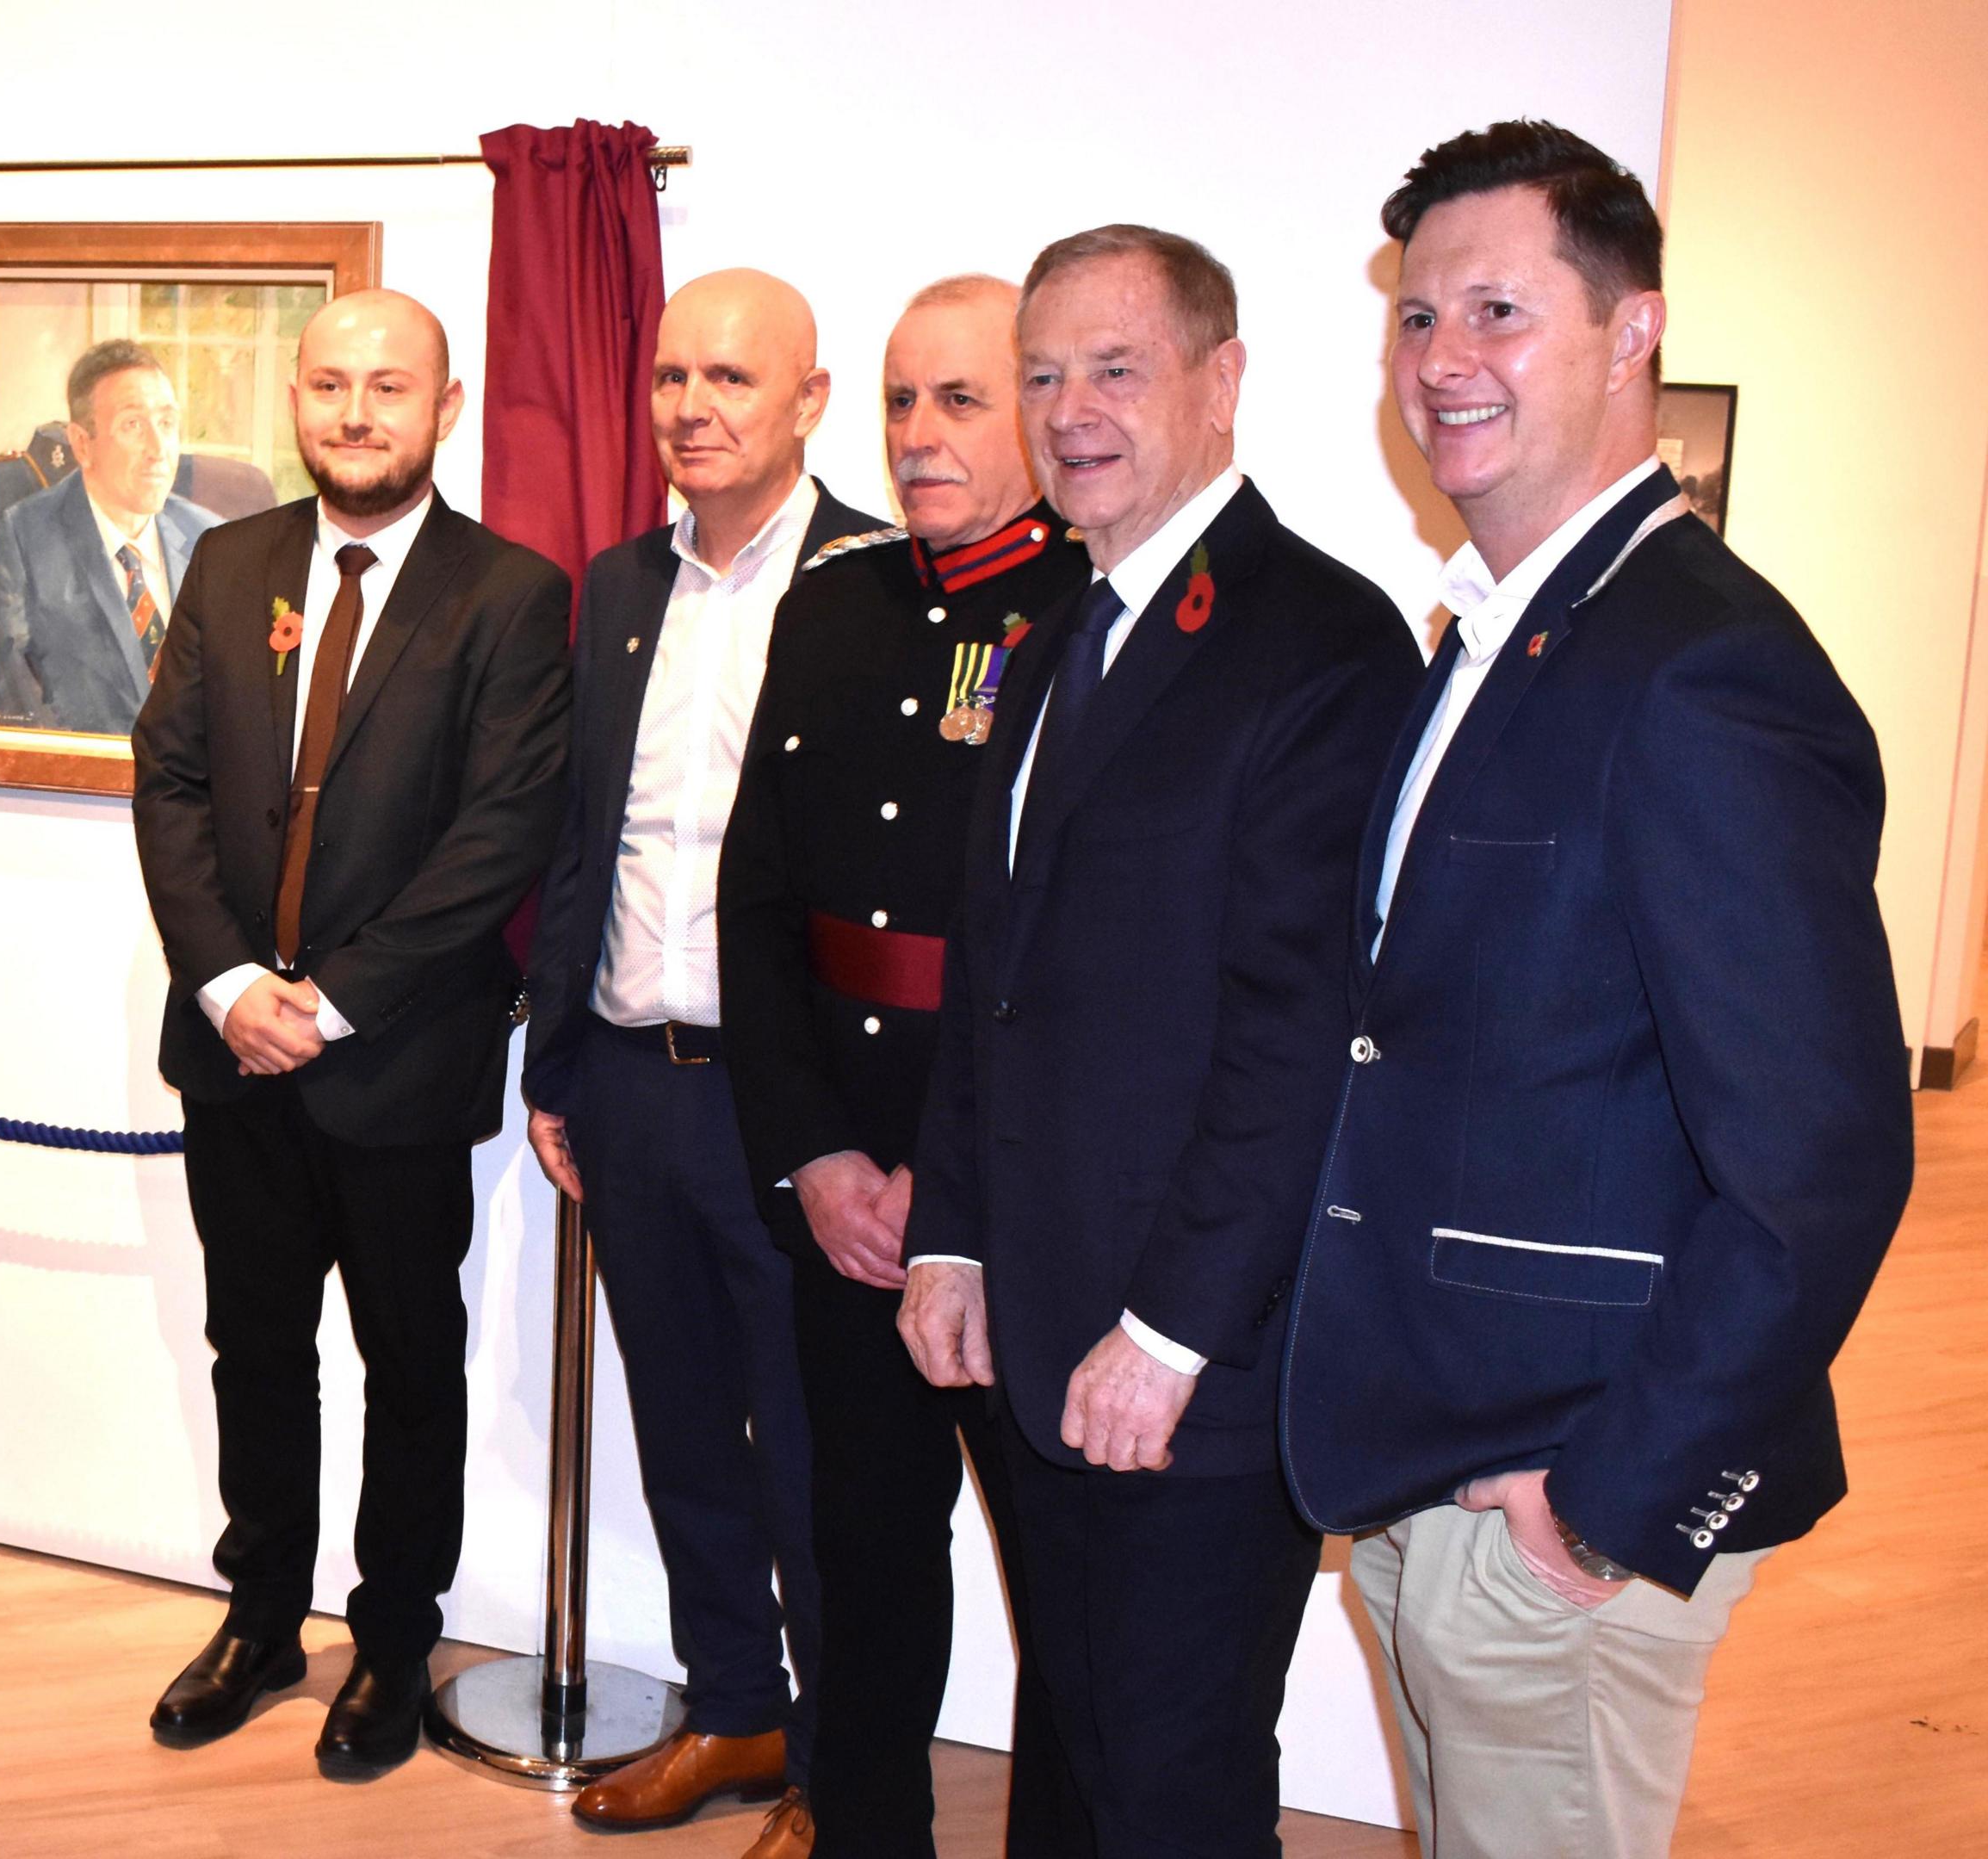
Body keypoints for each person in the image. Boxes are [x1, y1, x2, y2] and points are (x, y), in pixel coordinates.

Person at [1281, 121, 1911, 1859]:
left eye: (1500, 309)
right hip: (1441, 1464)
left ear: (1635, 329)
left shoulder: (1704, 667)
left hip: (1563, 1498)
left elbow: (1823, 1163)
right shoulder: (1508, 635)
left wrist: (1619, 1499)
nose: (1445, 361)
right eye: (1418, 318)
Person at [894, 226, 1421, 1855]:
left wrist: (1175, 1332)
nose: (1070, 409)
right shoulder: (1063, 631)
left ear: (1223, 380)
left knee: (1175, 1786)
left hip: (1185, 1365)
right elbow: (999, 977)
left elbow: (1300, 1032)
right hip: (1040, 1329)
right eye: (1045, 373)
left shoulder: (1318, 642)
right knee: (1076, 1753)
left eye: (1114, 368)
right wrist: (955, 1234)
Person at [130, 288, 572, 1774]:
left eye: (390, 387)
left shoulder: (508, 593)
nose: (356, 412)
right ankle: (260, 1613)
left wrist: (333, 996)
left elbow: (501, 830)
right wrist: (228, 988)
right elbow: (173, 787)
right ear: (298, 402)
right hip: (231, 1051)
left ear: (444, 407)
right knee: (253, 1344)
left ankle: (392, 1636)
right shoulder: (230, 561)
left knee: (407, 1357)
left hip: (395, 1055)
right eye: (330, 385)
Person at [717, 275, 1095, 1859]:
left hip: (1014, 1204)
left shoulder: (1098, 614)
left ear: (1036, 411)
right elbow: (758, 907)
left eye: (961, 399)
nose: (921, 435)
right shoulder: (834, 606)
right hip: (848, 1195)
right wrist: (814, 1156)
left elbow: (1090, 964)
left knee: (1070, 1595)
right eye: (898, 401)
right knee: (863, 1567)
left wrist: (964, 1189)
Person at [517, 269, 852, 1859]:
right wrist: (556, 1055)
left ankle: (837, 1769)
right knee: (680, 1422)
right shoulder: (619, 583)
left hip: (791, 1104)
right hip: (630, 1081)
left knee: (812, 1445)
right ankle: (736, 1703)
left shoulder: (870, 583)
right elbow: (592, 833)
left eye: (731, 376)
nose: (692, 406)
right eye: (671, 376)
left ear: (807, 400)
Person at [0, 339, 220, 734]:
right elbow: (15, 705)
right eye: (133, 425)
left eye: (166, 423)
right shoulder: (24, 538)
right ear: (82, 444)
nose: (158, 450)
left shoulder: (211, 538)